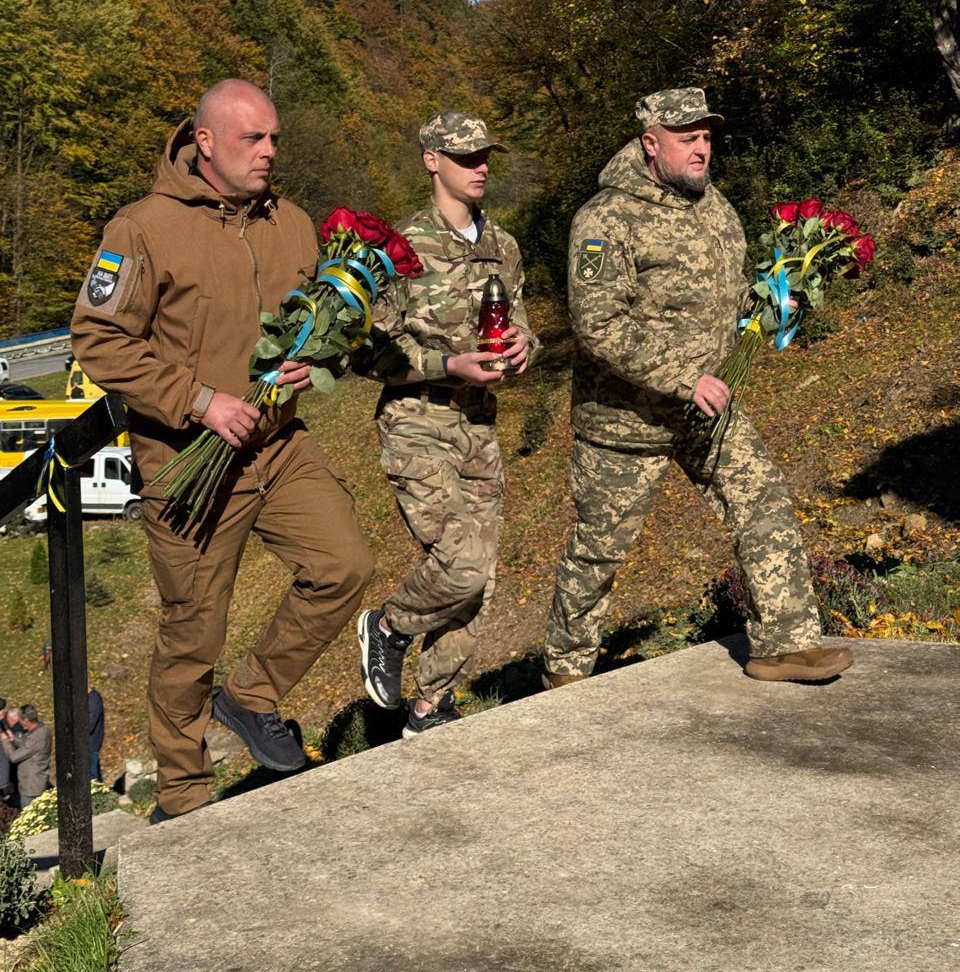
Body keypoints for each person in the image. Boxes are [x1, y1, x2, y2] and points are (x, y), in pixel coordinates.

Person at [71, 79, 373, 821]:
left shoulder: (294, 224)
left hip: (278, 444)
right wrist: (200, 401)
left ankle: (251, 698)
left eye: (274, 137)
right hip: (187, 464)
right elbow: (98, 339)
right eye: (253, 139)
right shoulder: (142, 228)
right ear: (204, 143)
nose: (270, 150)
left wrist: (314, 361)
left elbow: (310, 325)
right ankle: (183, 797)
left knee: (345, 565)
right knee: (191, 634)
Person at [543, 87, 853, 687]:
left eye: (707, 137)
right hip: (625, 422)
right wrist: (686, 377)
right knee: (599, 551)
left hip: (705, 412)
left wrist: (771, 301)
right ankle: (564, 673)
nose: (702, 149)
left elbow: (726, 298)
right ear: (650, 143)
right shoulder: (605, 219)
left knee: (760, 497)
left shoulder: (717, 209)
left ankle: (785, 644)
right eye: (688, 138)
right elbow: (597, 323)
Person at [356, 112, 539, 736]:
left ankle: (431, 707)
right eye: (466, 157)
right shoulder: (399, 249)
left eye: (485, 156)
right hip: (418, 422)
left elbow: (525, 327)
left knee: (479, 584)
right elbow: (367, 354)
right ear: (431, 160)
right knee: (459, 565)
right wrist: (446, 363)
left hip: (479, 429)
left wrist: (522, 348)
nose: (480, 167)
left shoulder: (504, 247)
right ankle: (388, 626)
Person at [1, 704, 51, 807]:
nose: (19, 722)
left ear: (27, 720)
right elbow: (27, 745)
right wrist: (13, 739)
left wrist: (5, 741)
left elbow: (14, 757)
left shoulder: (37, 737)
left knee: (30, 816)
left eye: (21, 720)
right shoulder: (41, 729)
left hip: (31, 787)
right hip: (36, 782)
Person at [88, 684, 105, 782]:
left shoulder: (93, 699)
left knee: (92, 772)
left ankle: (96, 793)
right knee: (94, 768)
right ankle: (101, 792)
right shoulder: (90, 698)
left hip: (92, 741)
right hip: (90, 741)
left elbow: (91, 723)